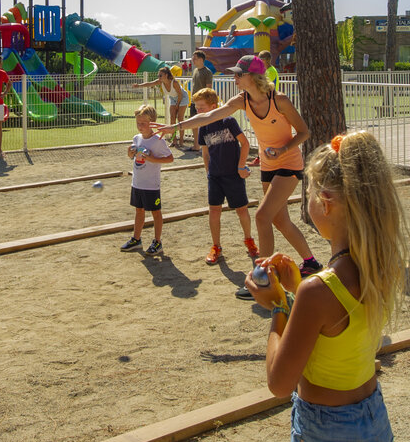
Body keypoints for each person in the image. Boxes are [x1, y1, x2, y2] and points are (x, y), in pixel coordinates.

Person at [245, 130, 410, 442]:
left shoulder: (317, 292)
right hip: (373, 422)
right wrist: (297, 288)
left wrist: (278, 306)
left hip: (329, 436)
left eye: (308, 192)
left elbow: (279, 382)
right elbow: (340, 322)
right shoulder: (380, 265)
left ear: (327, 202)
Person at [159, 54, 322, 298]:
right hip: (268, 165)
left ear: (253, 76)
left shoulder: (279, 100)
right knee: (279, 220)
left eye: (238, 74)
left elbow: (303, 132)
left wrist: (283, 150)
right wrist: (175, 127)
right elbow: (208, 116)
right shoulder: (241, 100)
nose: (234, 78)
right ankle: (311, 263)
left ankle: (263, 278)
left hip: (288, 163)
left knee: (262, 216)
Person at [192, 87, 257, 266]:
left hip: (233, 175)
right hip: (215, 176)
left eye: (202, 107)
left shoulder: (228, 121)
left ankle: (249, 240)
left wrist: (241, 166)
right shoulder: (203, 126)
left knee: (241, 210)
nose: (198, 111)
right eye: (196, 107)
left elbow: (245, 144)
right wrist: (208, 172)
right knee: (214, 211)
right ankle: (216, 246)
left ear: (214, 106)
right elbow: (205, 153)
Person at [120, 104, 175, 257]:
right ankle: (136, 239)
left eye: (144, 123)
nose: (140, 126)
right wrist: (129, 153)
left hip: (151, 185)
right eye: (138, 123)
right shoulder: (136, 138)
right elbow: (132, 157)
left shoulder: (158, 141)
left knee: (156, 212)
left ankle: (157, 242)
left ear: (152, 123)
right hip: (137, 182)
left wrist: (152, 159)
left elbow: (170, 158)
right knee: (139, 210)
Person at [130, 66, 189, 147]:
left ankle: (181, 141)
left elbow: (180, 94)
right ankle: (174, 140)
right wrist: (139, 85)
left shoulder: (174, 82)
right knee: (172, 118)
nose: (159, 77)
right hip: (173, 98)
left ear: (166, 75)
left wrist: (177, 105)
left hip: (182, 97)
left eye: (160, 75)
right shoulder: (160, 82)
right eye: (158, 75)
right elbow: (150, 83)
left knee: (180, 119)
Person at [188, 51, 213, 118]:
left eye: (195, 59)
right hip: (194, 101)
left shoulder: (207, 72)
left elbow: (208, 89)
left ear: (201, 59)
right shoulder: (195, 70)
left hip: (202, 102)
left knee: (202, 121)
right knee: (192, 121)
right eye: (192, 58)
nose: (193, 60)